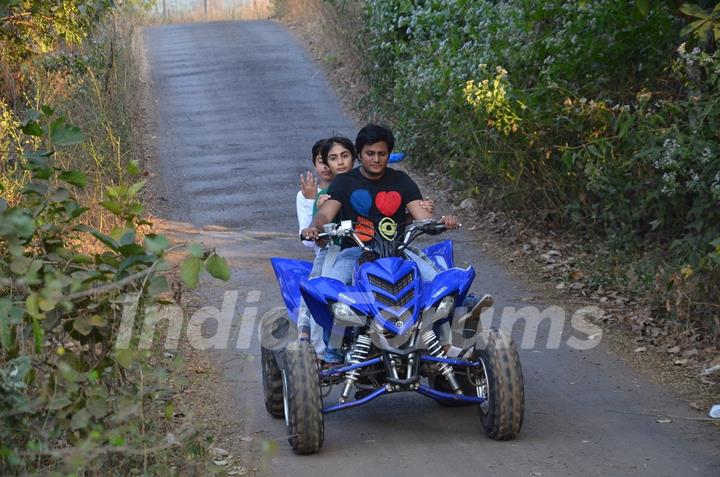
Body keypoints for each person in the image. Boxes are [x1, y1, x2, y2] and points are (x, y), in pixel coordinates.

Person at [301, 124, 459, 356]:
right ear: (360, 154)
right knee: (330, 289)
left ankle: (445, 342)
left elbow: (423, 218)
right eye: (370, 153)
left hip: (398, 250)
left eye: (382, 154)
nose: (376, 159)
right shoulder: (344, 183)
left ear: (389, 153)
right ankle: (333, 349)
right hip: (354, 251)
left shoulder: (401, 181)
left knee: (441, 284)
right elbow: (325, 214)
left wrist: (442, 223)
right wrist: (314, 228)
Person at [296, 137, 357, 359]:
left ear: (354, 158)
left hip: (366, 249)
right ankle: (309, 341)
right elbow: (310, 237)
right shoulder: (316, 196)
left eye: (344, 157)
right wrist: (313, 202)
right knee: (319, 290)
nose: (334, 165)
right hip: (331, 251)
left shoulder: (362, 184)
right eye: (327, 160)